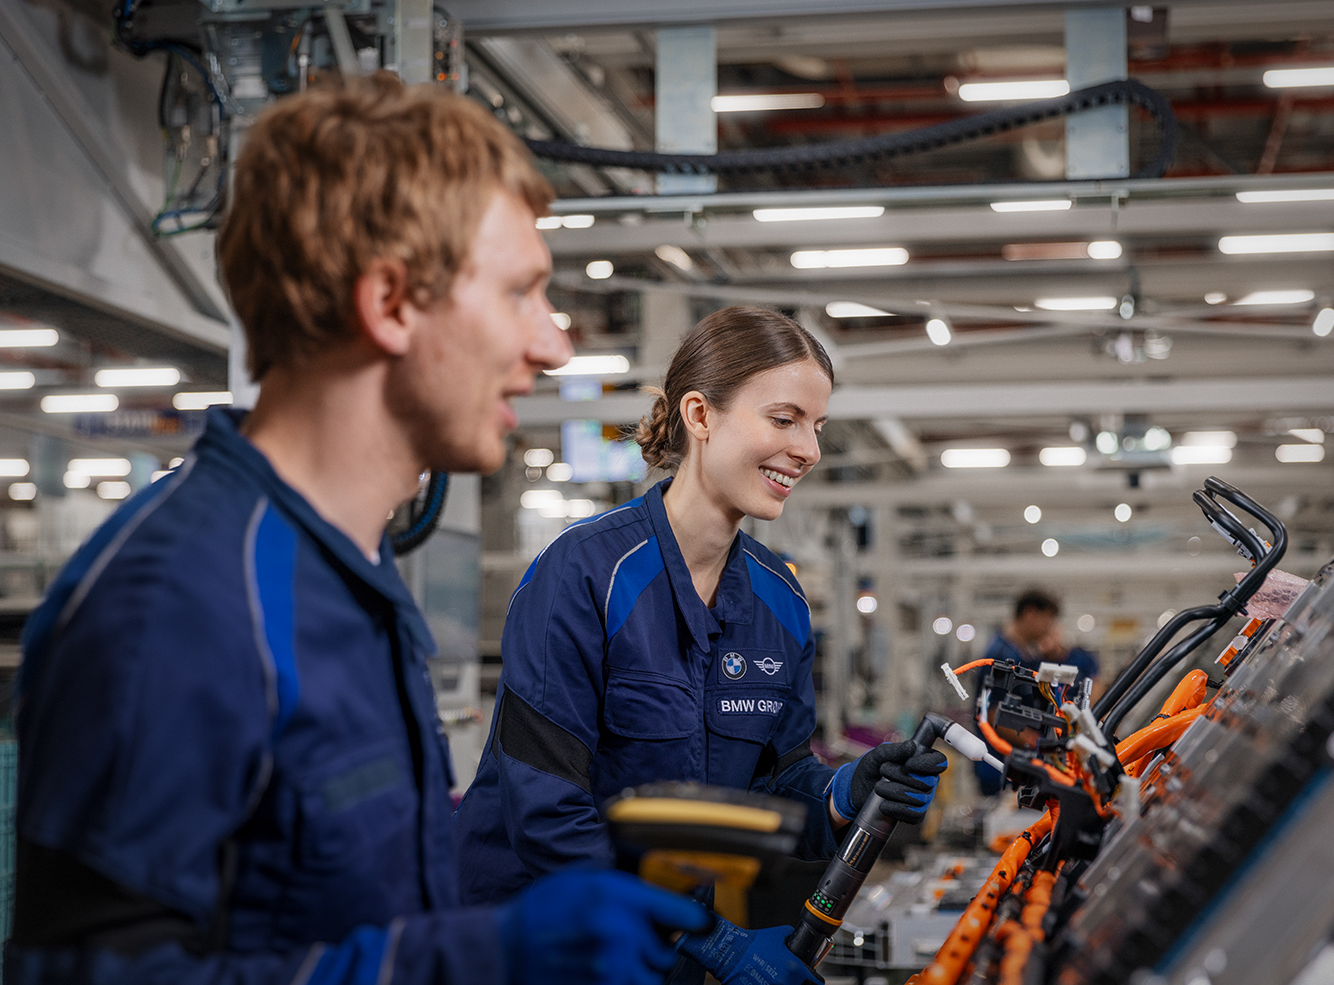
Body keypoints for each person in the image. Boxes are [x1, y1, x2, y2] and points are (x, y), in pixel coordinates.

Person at [6, 74, 711, 985]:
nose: (554, 346)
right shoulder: (180, 602)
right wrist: (478, 956)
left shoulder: (353, 576)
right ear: (389, 305)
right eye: (519, 293)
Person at [453, 306, 949, 983]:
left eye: (817, 426)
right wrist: (712, 941)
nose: (809, 449)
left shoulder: (781, 601)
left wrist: (842, 791)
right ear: (700, 415)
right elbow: (547, 816)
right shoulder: (585, 575)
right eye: (785, 419)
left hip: (666, 958)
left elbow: (771, 790)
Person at [973, 589, 1100, 794]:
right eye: (1047, 621)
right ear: (1030, 614)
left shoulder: (1023, 655)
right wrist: (1043, 745)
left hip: (1019, 764)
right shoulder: (1001, 655)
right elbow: (995, 714)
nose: (1048, 628)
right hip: (1001, 767)